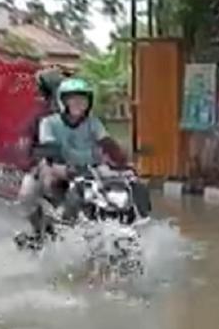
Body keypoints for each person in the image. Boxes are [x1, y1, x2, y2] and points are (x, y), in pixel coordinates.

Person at [19, 77, 150, 234]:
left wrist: (123, 163)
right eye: (72, 99)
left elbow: (107, 143)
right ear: (63, 101)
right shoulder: (49, 123)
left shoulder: (93, 123)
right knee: (32, 190)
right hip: (59, 165)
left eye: (82, 99)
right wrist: (64, 167)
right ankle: (44, 227)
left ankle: (130, 221)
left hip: (91, 168)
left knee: (130, 183)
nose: (78, 103)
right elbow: (50, 150)